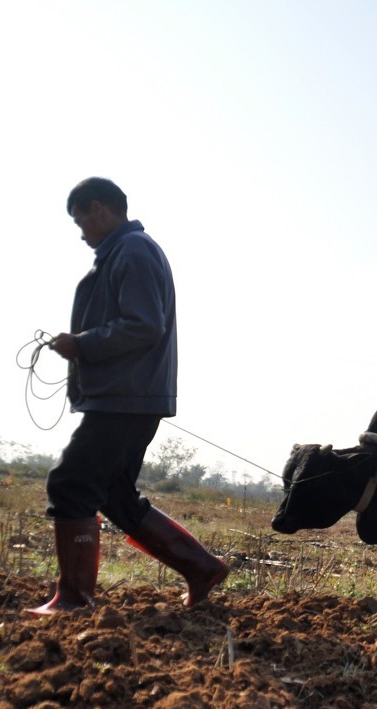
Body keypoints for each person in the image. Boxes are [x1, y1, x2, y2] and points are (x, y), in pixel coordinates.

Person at [27, 177, 230, 617]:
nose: (80, 231)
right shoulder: (124, 253)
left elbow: (144, 325)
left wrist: (81, 344)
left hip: (124, 396)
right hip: (130, 395)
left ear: (98, 209)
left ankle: (74, 599)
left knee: (70, 484)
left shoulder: (133, 251)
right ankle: (201, 568)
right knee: (113, 496)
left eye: (80, 218)